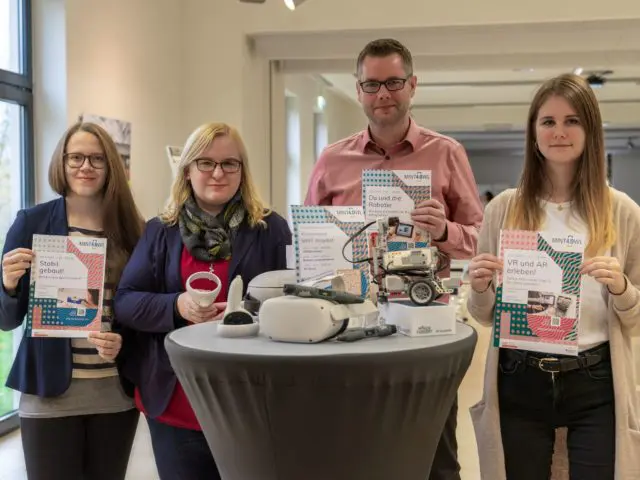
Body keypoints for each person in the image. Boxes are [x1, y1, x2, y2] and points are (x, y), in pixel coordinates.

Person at [304, 38, 484, 480]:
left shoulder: (446, 153)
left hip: (424, 325)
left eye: (393, 82)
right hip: (348, 327)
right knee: (355, 452)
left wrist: (444, 231)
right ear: (358, 90)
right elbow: (309, 243)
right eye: (372, 84)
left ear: (412, 85)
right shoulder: (332, 160)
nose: (383, 93)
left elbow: (480, 239)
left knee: (435, 456)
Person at [467, 73, 640, 479]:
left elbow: (635, 319)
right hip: (519, 375)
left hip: (596, 379)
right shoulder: (504, 209)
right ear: (533, 132)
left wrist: (621, 288)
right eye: (548, 121)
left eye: (572, 121)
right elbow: (484, 315)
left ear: (590, 131)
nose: (559, 132)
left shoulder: (622, 211)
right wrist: (480, 286)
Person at [113, 122, 291, 480]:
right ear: (187, 170)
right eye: (206, 163)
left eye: (229, 163)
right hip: (175, 399)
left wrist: (247, 313)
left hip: (249, 401)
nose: (218, 173)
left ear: (242, 171)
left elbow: (296, 300)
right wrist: (177, 306)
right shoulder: (161, 230)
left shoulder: (270, 229)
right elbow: (126, 302)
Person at [0, 122, 144, 480]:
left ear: (110, 166)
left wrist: (124, 340)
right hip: (48, 394)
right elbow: (6, 319)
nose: (86, 166)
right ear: (61, 162)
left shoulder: (132, 228)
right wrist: (8, 284)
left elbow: (141, 309)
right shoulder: (31, 222)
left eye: (97, 159)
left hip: (114, 394)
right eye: (76, 157)